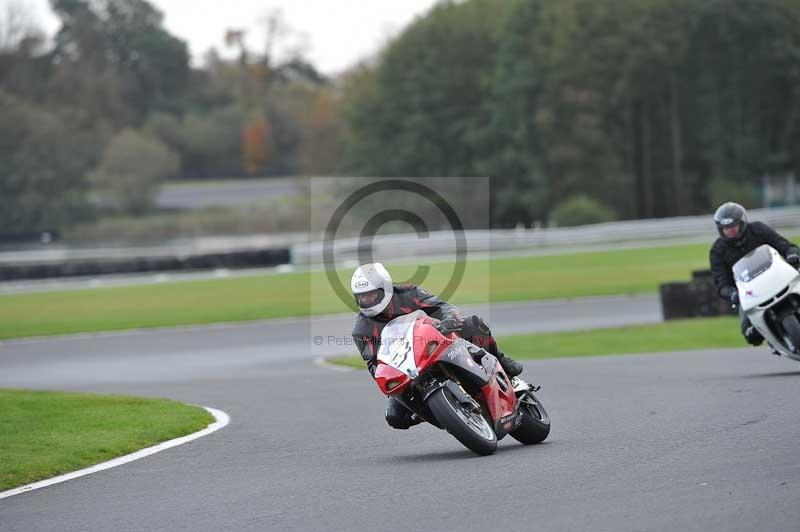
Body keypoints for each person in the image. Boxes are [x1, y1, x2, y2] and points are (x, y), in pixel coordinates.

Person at [350, 262, 523, 429]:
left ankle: (501, 362)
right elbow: (374, 365)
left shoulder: (409, 293)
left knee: (473, 324)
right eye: (362, 297)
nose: (367, 300)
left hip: (435, 342)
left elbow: (442, 307)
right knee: (395, 417)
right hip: (404, 368)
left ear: (385, 287)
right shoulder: (361, 330)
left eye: (371, 295)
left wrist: (448, 322)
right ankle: (437, 411)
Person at [709, 202, 800, 346]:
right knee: (751, 335)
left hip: (777, 276)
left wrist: (792, 254)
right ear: (720, 229)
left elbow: (784, 245)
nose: (730, 231)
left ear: (742, 222)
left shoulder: (758, 229)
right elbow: (721, 283)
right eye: (725, 228)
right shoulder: (717, 251)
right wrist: (732, 294)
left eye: (733, 226)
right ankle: (773, 338)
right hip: (749, 293)